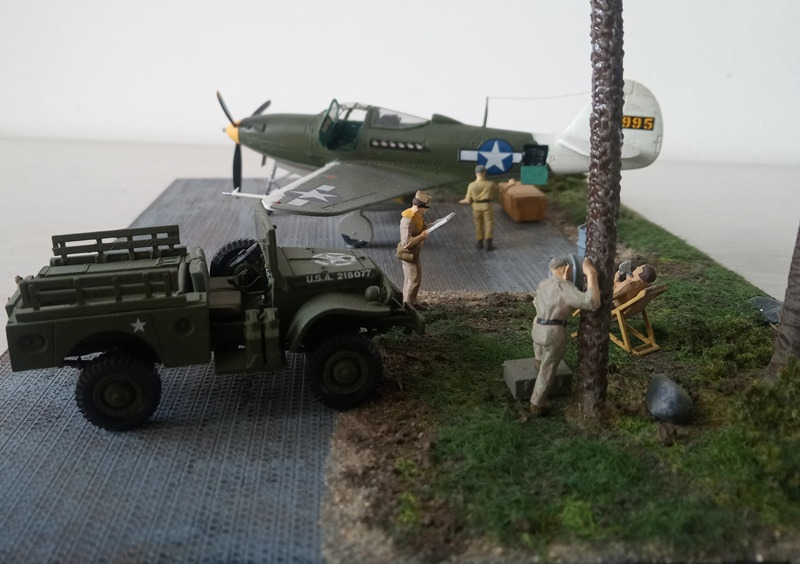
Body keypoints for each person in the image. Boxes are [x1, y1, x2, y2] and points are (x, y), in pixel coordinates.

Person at [530, 256, 600, 416]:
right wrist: (591, 274)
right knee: (547, 369)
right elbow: (592, 302)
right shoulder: (565, 287)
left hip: (537, 328)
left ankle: (538, 361)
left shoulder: (543, 284)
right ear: (567, 269)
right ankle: (536, 403)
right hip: (552, 333)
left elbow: (535, 301)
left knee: (540, 356)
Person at [459, 165, 516, 250]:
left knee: (478, 224)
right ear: (484, 173)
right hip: (487, 206)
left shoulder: (471, 185)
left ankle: (479, 242)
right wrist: (509, 184)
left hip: (476, 207)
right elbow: (501, 190)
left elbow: (467, 200)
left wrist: (463, 201)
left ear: (476, 173)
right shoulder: (489, 184)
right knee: (488, 224)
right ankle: (489, 243)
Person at [399, 190, 431, 306]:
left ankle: (412, 302)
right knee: (413, 279)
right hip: (408, 252)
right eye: (426, 207)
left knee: (414, 278)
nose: (427, 210)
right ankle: (407, 304)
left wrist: (434, 225)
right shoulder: (408, 219)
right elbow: (406, 242)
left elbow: (422, 227)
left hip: (415, 251)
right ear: (419, 207)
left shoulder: (418, 216)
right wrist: (421, 236)